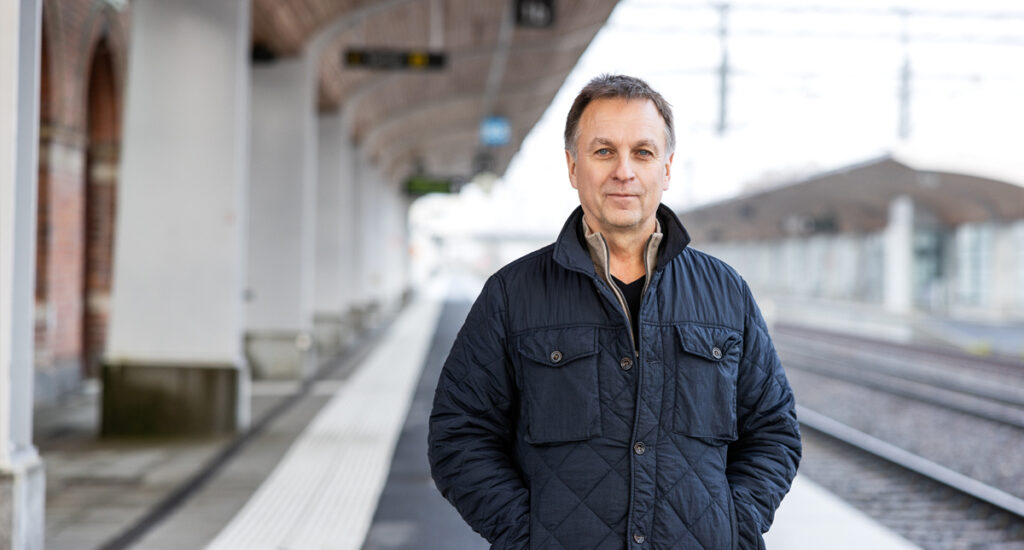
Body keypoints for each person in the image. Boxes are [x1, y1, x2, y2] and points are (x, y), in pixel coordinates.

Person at [428, 74, 801, 550]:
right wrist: (527, 536)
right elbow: (458, 435)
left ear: (666, 169)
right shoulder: (511, 295)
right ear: (573, 166)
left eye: (642, 152)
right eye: (604, 151)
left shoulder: (726, 292)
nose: (624, 171)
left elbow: (774, 431)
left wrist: (734, 526)